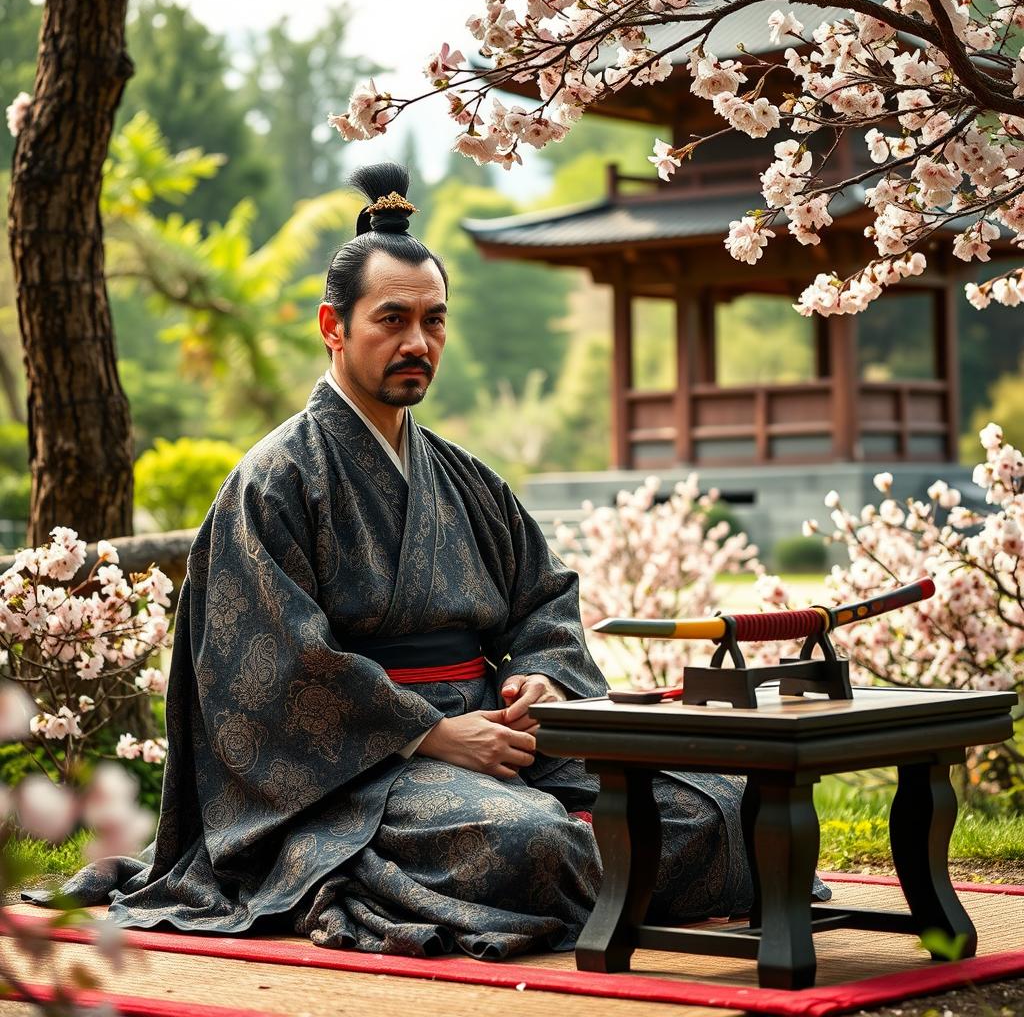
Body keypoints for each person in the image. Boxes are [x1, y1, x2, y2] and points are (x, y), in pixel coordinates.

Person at [24, 162, 820, 958]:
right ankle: (355, 870)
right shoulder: (274, 482)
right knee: (531, 840)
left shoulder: (467, 478)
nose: (417, 343)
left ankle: (602, 877)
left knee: (720, 803)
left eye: (434, 321)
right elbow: (271, 669)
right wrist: (430, 736)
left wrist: (543, 676)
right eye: (392, 319)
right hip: (359, 773)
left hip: (505, 736)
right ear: (332, 326)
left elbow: (544, 599)